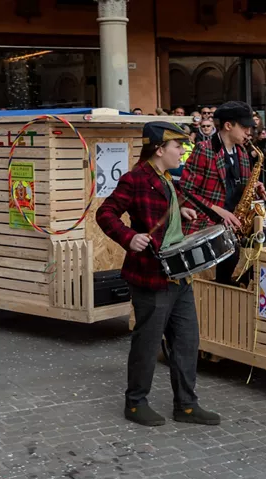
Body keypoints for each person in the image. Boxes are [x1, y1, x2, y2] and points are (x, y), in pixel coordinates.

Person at [96, 121, 219, 427]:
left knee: (187, 342)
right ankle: (135, 403)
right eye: (178, 146)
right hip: (151, 276)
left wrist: (181, 212)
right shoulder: (136, 178)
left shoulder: (165, 178)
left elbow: (163, 212)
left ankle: (187, 405)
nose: (183, 152)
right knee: (148, 344)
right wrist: (128, 237)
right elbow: (106, 213)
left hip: (179, 275)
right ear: (160, 149)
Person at [180, 101, 266, 285]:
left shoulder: (242, 152)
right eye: (244, 127)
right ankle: (224, 288)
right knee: (231, 250)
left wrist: (253, 186)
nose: (249, 132)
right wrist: (218, 211)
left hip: (237, 222)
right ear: (228, 125)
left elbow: (240, 186)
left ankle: (243, 281)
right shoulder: (205, 150)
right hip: (209, 222)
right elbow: (186, 190)